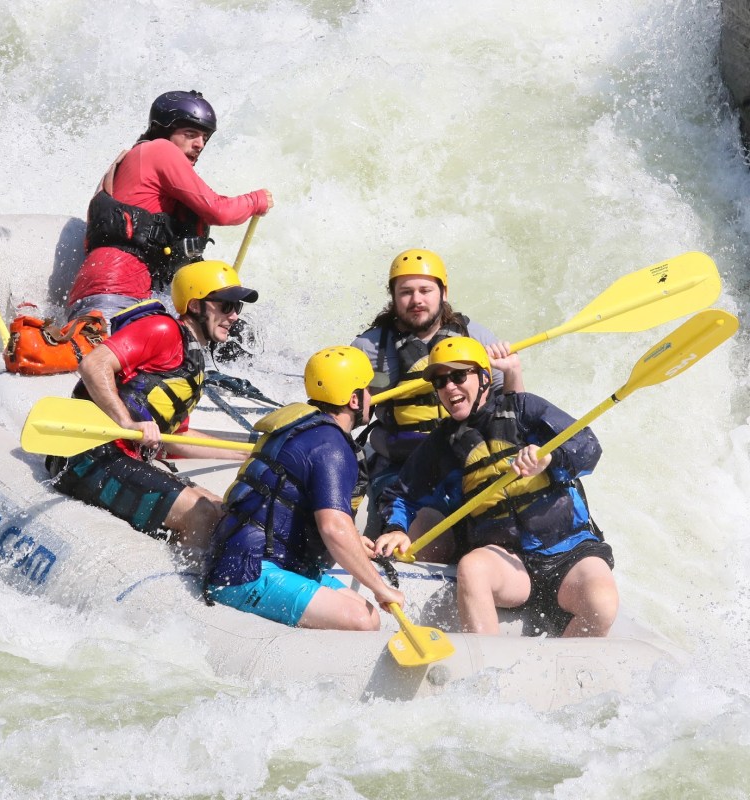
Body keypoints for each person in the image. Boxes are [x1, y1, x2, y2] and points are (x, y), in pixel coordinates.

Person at [374, 337, 618, 638]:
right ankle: (482, 674)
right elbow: (401, 494)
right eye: (440, 381)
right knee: (472, 568)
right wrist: (397, 527)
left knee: (602, 605)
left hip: (569, 550)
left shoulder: (524, 409)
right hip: (507, 560)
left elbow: (588, 447)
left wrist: (550, 460)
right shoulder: (442, 445)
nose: (449, 387)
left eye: (458, 376)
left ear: (485, 378)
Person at [48, 260, 257, 552]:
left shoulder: (192, 359)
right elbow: (93, 364)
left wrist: (249, 454)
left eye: (238, 308)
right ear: (196, 306)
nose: (234, 316)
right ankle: (191, 591)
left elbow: (177, 439)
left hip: (124, 458)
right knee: (202, 513)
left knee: (224, 513)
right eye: (225, 305)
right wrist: (127, 423)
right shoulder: (163, 329)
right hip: (89, 457)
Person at [203, 346, 406, 630]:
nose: (372, 398)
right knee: (365, 619)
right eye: (368, 390)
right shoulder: (331, 446)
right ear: (354, 399)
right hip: (248, 572)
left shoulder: (302, 428)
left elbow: (292, 504)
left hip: (256, 559)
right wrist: (380, 588)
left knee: (357, 604)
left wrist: (353, 541)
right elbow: (333, 528)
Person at [351, 248, 523, 535]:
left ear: (443, 292)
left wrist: (512, 372)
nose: (416, 300)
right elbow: (348, 416)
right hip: (401, 465)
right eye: (406, 292)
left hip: (467, 460)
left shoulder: (475, 338)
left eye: (425, 290)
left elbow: (513, 412)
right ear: (393, 296)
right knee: (418, 535)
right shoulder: (369, 348)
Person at [66, 89, 274, 324]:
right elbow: (219, 210)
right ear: (163, 130)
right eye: (190, 134)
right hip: (116, 290)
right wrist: (255, 200)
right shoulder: (160, 149)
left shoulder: (135, 161)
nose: (199, 144)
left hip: (107, 287)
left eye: (204, 138)